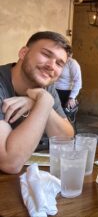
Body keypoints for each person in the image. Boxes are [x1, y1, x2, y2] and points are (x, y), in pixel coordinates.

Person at [0, 31, 74, 174]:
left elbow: (65, 139)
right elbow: (9, 162)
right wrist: (44, 102)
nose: (51, 66)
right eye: (46, 54)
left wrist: (38, 103)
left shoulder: (46, 85)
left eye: (59, 63)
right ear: (23, 53)